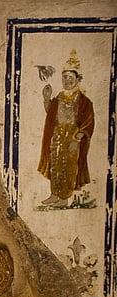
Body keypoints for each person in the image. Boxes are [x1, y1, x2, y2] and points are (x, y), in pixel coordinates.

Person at [36, 50, 94, 207]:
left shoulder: (83, 101)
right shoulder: (60, 97)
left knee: (68, 166)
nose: (67, 80)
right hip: (57, 135)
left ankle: (64, 198)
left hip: (72, 137)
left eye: (70, 78)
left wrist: (77, 139)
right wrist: (46, 98)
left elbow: (88, 122)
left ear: (77, 80)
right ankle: (54, 194)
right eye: (65, 77)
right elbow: (51, 114)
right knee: (55, 165)